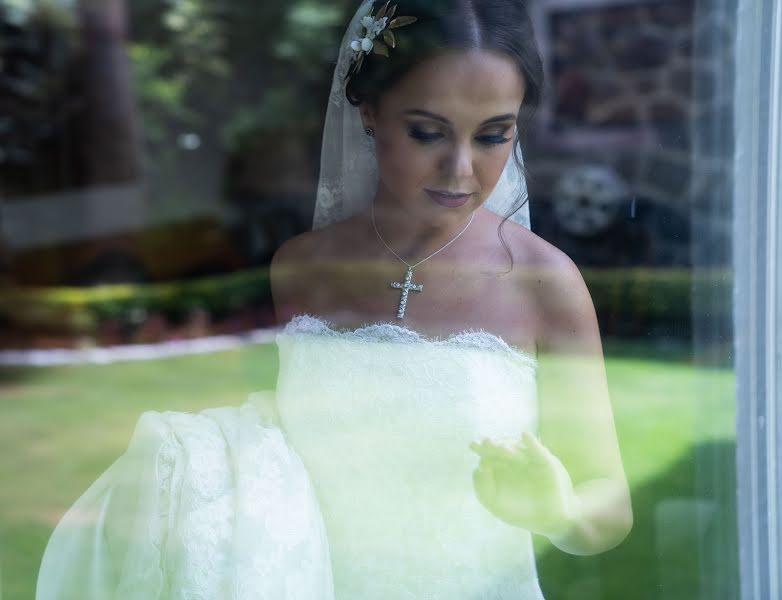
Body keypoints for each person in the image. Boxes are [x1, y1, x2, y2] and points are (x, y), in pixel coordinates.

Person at [36, 1, 632, 598]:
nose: (460, 168)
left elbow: (608, 501)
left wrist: (559, 513)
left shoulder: (543, 280)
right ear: (369, 112)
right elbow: (271, 462)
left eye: (493, 135)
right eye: (427, 131)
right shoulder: (301, 269)